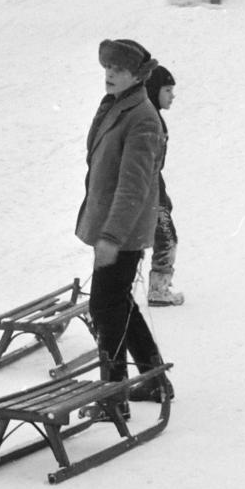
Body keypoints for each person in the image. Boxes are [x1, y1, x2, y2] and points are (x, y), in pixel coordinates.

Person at [77, 39, 170, 403]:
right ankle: (154, 379)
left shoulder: (142, 118)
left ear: (137, 75)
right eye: (107, 69)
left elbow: (134, 186)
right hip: (113, 229)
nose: (110, 75)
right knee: (117, 304)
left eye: (118, 70)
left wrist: (112, 237)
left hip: (123, 233)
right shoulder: (119, 106)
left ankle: (112, 396)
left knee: (105, 308)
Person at [144, 65, 184, 307]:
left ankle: (159, 288)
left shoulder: (153, 117)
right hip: (149, 193)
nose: (172, 96)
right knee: (167, 238)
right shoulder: (150, 121)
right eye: (167, 90)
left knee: (164, 237)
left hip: (154, 189)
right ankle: (158, 291)